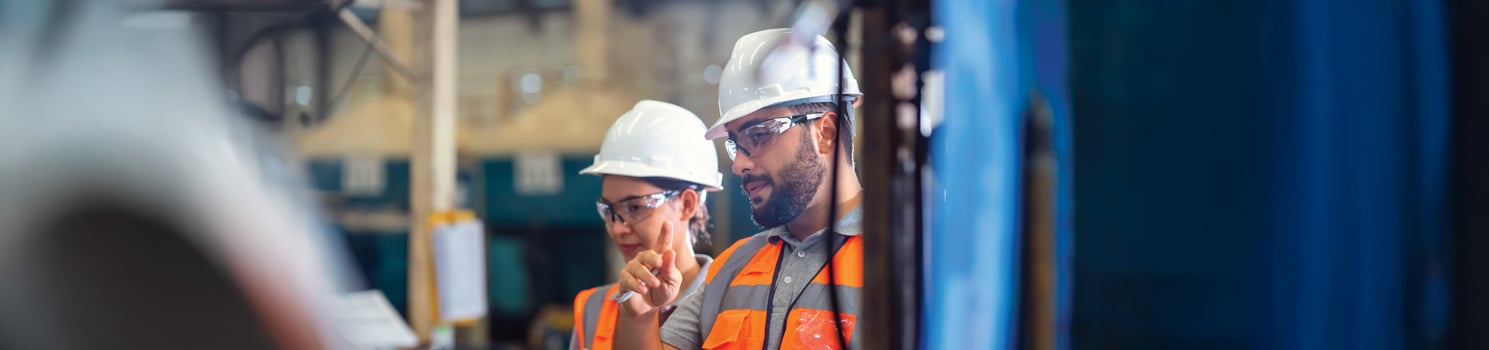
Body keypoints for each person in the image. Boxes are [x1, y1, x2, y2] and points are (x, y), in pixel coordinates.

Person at [615, 28, 866, 350]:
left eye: (758, 135)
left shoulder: (903, 259)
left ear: (826, 133)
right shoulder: (732, 267)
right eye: (735, 144)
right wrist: (638, 317)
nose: (738, 165)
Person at [572, 100, 725, 350]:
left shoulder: (731, 304)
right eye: (610, 210)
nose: (618, 228)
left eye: (635, 207)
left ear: (687, 204)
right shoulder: (596, 306)